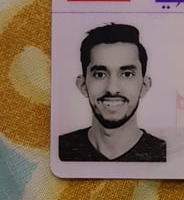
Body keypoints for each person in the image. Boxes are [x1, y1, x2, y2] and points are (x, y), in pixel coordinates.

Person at [58, 23, 166, 162]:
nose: (112, 89)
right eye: (100, 74)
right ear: (83, 85)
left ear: (144, 85)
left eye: (127, 74)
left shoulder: (165, 156)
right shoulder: (58, 151)